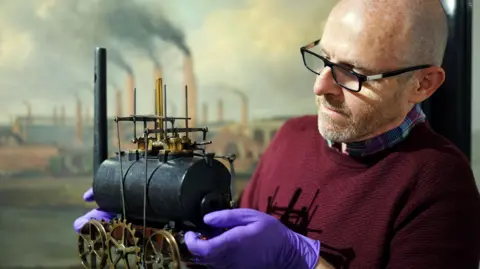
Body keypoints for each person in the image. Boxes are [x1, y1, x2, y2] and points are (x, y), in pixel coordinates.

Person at [74, 0, 480, 268]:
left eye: (352, 74)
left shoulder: (439, 181)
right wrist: (159, 221)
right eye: (323, 59)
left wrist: (298, 259)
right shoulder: (291, 137)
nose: (321, 87)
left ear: (423, 84)